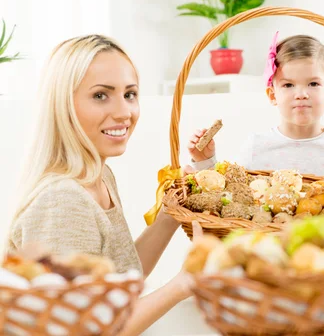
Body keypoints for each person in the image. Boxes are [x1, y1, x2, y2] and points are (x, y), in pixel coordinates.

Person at [6, 35, 201, 335]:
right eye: (100, 95)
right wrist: (184, 283)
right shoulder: (62, 201)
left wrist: (169, 216)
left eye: (130, 94)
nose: (124, 112)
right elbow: (83, 331)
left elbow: (121, 279)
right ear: (63, 105)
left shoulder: (98, 176)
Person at [187, 32, 324, 191]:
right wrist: (204, 160)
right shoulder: (256, 146)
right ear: (272, 95)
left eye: (313, 83)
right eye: (288, 85)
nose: (301, 94)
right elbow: (228, 195)